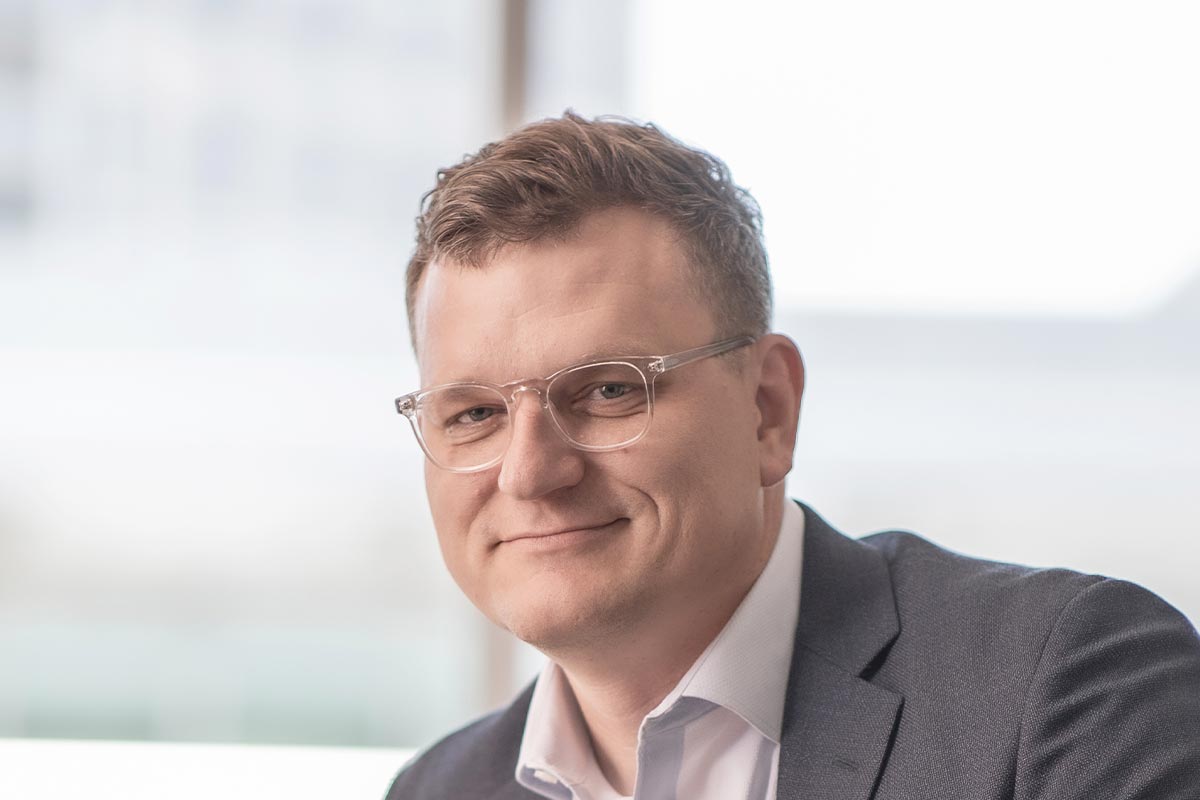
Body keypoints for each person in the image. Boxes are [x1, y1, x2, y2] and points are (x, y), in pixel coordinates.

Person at [386, 113, 1200, 800]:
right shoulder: (438, 787)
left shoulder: (1071, 690)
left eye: (609, 391)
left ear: (767, 409)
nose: (530, 472)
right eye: (476, 413)